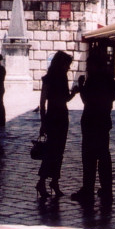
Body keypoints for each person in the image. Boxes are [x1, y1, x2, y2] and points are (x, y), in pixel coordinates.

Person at [71, 47, 115, 205]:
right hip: (103, 120)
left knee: (89, 157)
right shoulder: (107, 78)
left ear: (94, 65)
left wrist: (81, 87)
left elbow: (87, 99)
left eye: (89, 64)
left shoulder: (93, 80)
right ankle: (106, 188)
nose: (87, 67)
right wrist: (107, 102)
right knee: (104, 156)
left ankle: (88, 188)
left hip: (92, 120)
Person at [37, 51, 79, 200]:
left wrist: (74, 93)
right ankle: (42, 182)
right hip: (56, 117)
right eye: (67, 64)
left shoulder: (58, 78)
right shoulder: (52, 79)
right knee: (51, 151)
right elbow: (43, 103)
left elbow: (61, 99)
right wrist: (43, 122)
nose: (68, 67)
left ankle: (54, 182)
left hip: (59, 116)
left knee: (58, 151)